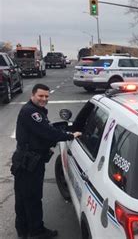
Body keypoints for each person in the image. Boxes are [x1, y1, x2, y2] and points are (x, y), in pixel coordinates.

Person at [11, 84, 81, 239]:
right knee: (33, 198)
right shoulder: (31, 112)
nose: (44, 99)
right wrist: (71, 135)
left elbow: (43, 131)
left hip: (25, 161)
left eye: (46, 96)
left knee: (23, 197)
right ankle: (36, 231)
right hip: (29, 163)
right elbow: (48, 132)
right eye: (40, 96)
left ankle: (23, 230)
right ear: (32, 95)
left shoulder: (34, 111)